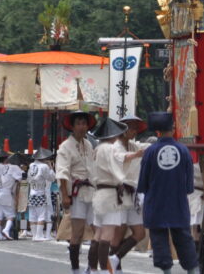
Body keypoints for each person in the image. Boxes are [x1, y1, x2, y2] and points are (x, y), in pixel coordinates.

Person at [137, 111, 199, 274]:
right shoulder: (183, 150)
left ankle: (167, 272)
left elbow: (143, 181)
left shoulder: (150, 151)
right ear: (172, 129)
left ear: (157, 131)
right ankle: (193, 271)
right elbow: (189, 184)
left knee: (159, 240)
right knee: (184, 239)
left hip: (156, 203)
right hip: (178, 203)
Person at [91, 118, 141, 274]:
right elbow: (120, 161)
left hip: (100, 194)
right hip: (110, 195)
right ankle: (105, 270)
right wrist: (135, 156)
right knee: (106, 235)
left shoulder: (98, 148)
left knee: (98, 235)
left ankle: (93, 269)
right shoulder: (109, 148)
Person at [56, 110, 97, 274]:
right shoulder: (65, 147)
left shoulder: (88, 144)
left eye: (84, 123)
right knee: (78, 234)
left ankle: (91, 267)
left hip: (91, 191)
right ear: (72, 127)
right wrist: (65, 195)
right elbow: (62, 172)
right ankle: (75, 269)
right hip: (76, 193)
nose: (82, 127)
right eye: (78, 123)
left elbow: (93, 169)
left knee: (99, 232)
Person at [112, 114, 148, 270]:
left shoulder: (134, 145)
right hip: (120, 192)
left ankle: (114, 259)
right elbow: (121, 157)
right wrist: (136, 155)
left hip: (133, 193)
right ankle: (114, 266)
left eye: (135, 127)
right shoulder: (116, 146)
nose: (134, 130)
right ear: (123, 129)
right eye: (130, 127)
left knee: (140, 233)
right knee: (118, 234)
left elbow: (147, 147)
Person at [28, 148, 56, 241]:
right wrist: (51, 168)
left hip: (32, 191)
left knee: (33, 215)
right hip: (40, 192)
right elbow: (51, 178)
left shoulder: (31, 165)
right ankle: (39, 235)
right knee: (41, 215)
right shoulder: (44, 166)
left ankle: (34, 235)